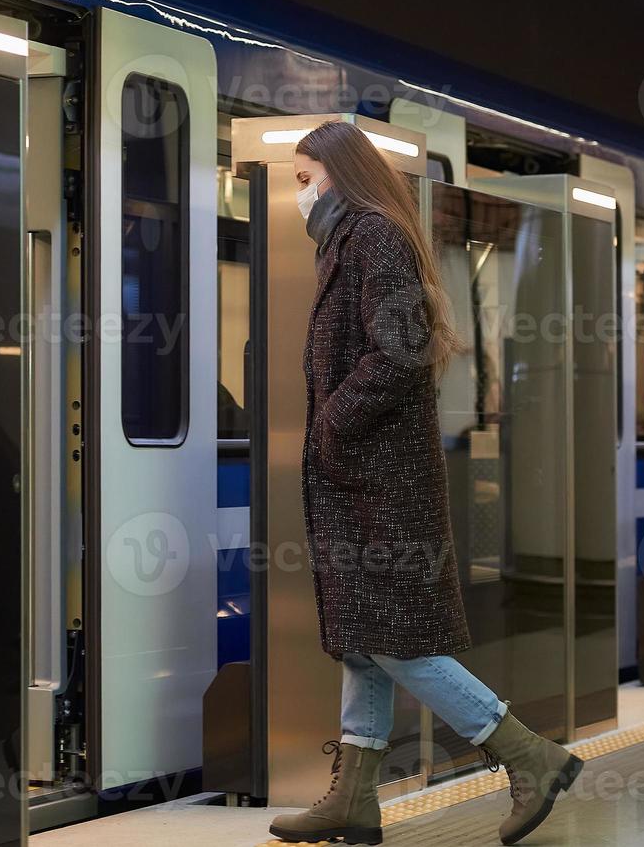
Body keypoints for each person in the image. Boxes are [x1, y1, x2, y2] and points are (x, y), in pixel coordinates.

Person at [268, 121, 582, 847]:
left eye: (302, 177)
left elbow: (399, 351)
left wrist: (330, 425)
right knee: (362, 636)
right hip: (364, 480)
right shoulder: (351, 240)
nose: (298, 194)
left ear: (339, 173)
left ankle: (526, 753)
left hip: (378, 482)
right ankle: (353, 800)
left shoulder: (371, 236)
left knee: (396, 641)